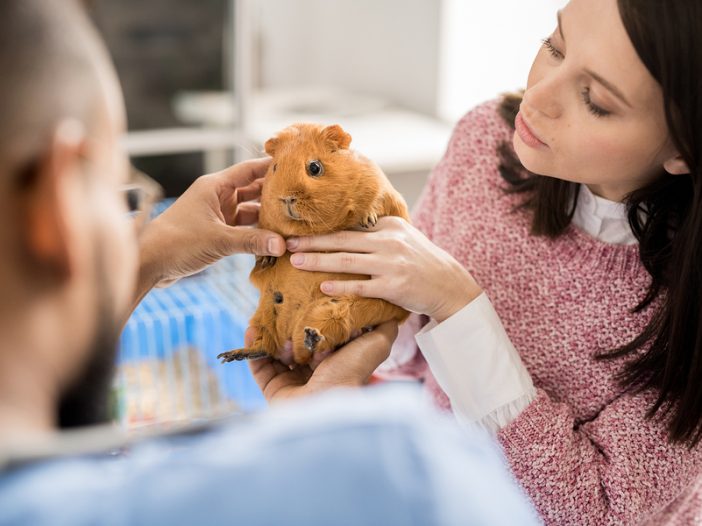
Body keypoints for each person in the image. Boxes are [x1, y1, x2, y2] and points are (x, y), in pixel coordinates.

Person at [0, 1, 540, 524]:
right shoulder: (403, 474)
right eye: (124, 194)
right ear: (61, 203)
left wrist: (148, 260)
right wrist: (319, 424)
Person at [276, 0, 702, 523]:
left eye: (594, 100)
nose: (538, 97)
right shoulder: (486, 140)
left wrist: (460, 309)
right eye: (555, 46)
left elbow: (596, 513)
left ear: (684, 145)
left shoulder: (688, 296)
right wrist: (338, 316)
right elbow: (411, 351)